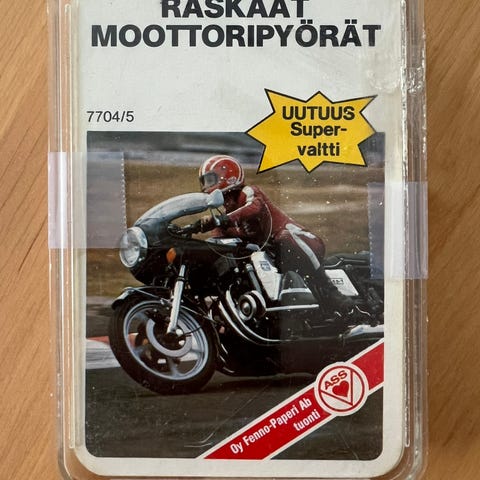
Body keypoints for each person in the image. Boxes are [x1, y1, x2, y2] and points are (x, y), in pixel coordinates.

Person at [198, 154, 354, 314]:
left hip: (301, 242)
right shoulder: (225, 217)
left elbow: (254, 207)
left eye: (210, 180)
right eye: (204, 181)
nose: (206, 186)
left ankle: (329, 289)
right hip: (276, 257)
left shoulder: (248, 192)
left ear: (228, 176)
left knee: (284, 237)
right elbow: (217, 243)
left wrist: (221, 220)